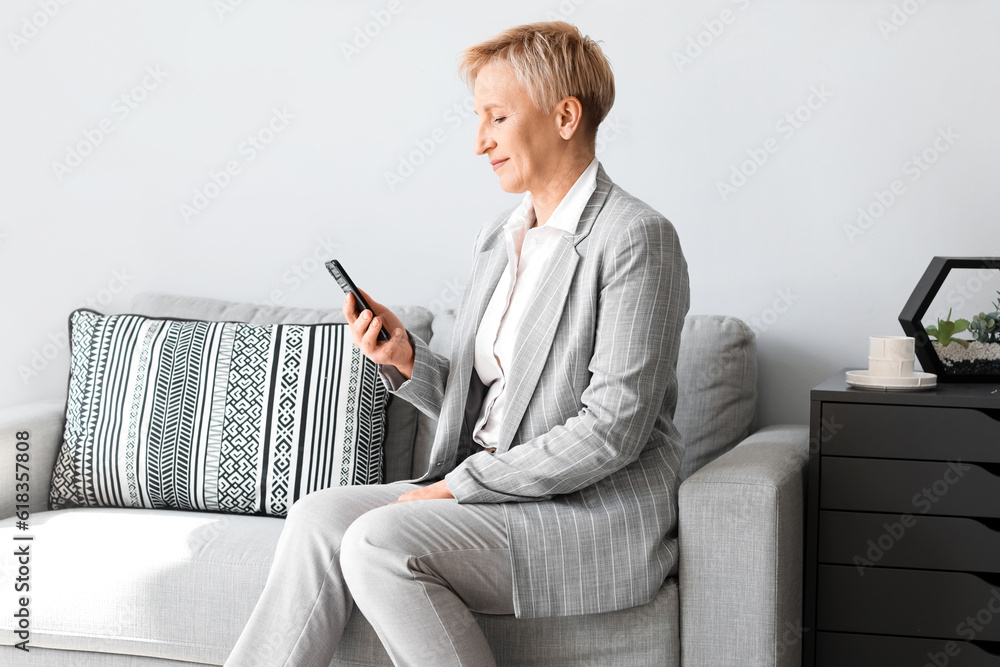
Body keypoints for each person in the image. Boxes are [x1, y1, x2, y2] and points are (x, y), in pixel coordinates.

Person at [225, 20, 689, 667]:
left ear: (564, 116)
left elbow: (612, 429)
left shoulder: (636, 237)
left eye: (496, 117)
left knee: (378, 541)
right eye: (479, 119)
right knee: (314, 516)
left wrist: (463, 483)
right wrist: (406, 359)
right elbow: (505, 400)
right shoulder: (501, 236)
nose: (479, 143)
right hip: (496, 490)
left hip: (579, 513)